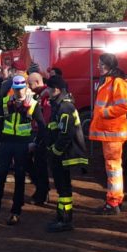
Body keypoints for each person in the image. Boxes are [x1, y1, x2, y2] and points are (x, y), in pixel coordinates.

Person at [0, 75, 45, 225]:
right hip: (5, 144)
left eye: (20, 89)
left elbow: (42, 126)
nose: (18, 92)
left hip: (23, 145)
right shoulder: (5, 102)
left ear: (25, 87)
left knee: (20, 179)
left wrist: (34, 142)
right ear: (12, 88)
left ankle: (15, 212)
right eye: (15, 89)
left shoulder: (33, 103)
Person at [89, 53, 127, 215]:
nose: (98, 66)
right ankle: (115, 199)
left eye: (100, 63)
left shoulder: (117, 82)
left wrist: (103, 112)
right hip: (110, 132)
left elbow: (124, 106)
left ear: (108, 65)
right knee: (113, 168)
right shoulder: (112, 80)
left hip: (112, 133)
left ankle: (113, 202)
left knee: (113, 168)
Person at [44, 75, 87, 232]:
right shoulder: (60, 105)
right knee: (62, 188)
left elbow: (66, 134)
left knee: (64, 188)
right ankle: (62, 216)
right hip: (62, 154)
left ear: (56, 90)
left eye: (49, 88)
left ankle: (66, 220)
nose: (47, 91)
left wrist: (55, 151)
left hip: (64, 155)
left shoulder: (65, 107)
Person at [26, 71, 52, 205]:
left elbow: (45, 120)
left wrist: (38, 139)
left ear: (37, 82)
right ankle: (41, 190)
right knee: (33, 163)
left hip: (42, 134)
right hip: (36, 132)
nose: (28, 87)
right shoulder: (39, 95)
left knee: (40, 165)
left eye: (30, 84)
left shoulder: (45, 95)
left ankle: (42, 193)